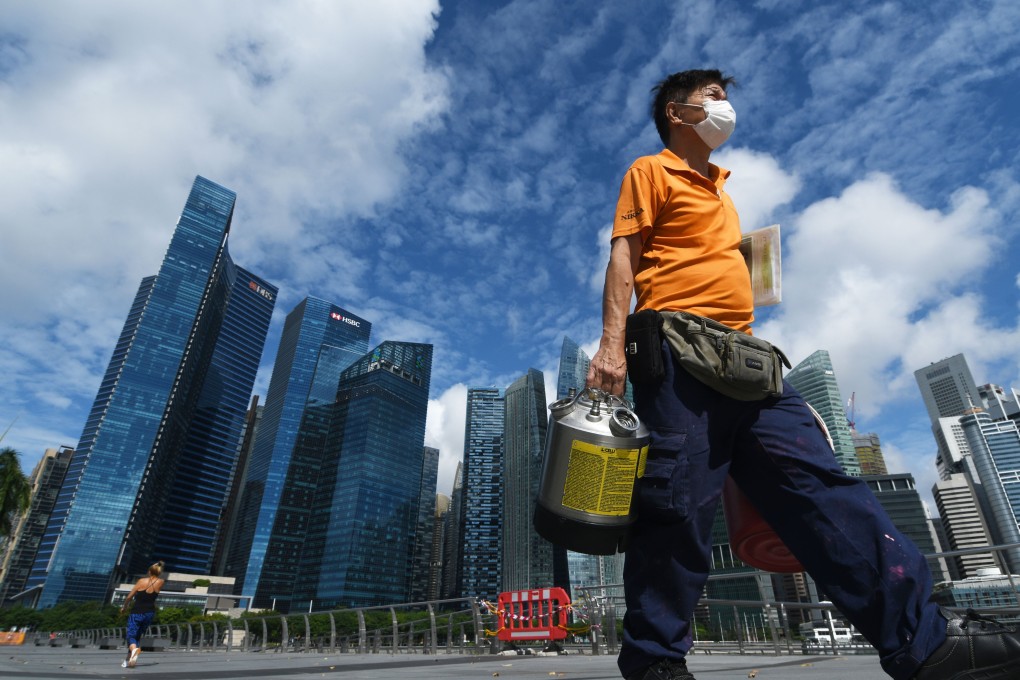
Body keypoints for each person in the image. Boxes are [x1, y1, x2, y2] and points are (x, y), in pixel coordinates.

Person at [586, 68, 1020, 680]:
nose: (725, 107)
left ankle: (925, 643)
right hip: (679, 349)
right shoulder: (650, 170)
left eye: (725, 97)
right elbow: (623, 255)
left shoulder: (724, 195)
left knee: (823, 487)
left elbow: (734, 282)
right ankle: (655, 662)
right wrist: (610, 346)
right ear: (678, 115)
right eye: (712, 98)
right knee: (677, 504)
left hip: (746, 360)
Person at [119, 561, 165, 668]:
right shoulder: (161, 582)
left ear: (149, 571)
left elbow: (129, 597)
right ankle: (129, 661)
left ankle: (134, 651)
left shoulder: (141, 581)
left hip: (137, 612)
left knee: (131, 636)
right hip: (149, 613)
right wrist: (158, 565)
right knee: (137, 637)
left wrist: (124, 607)